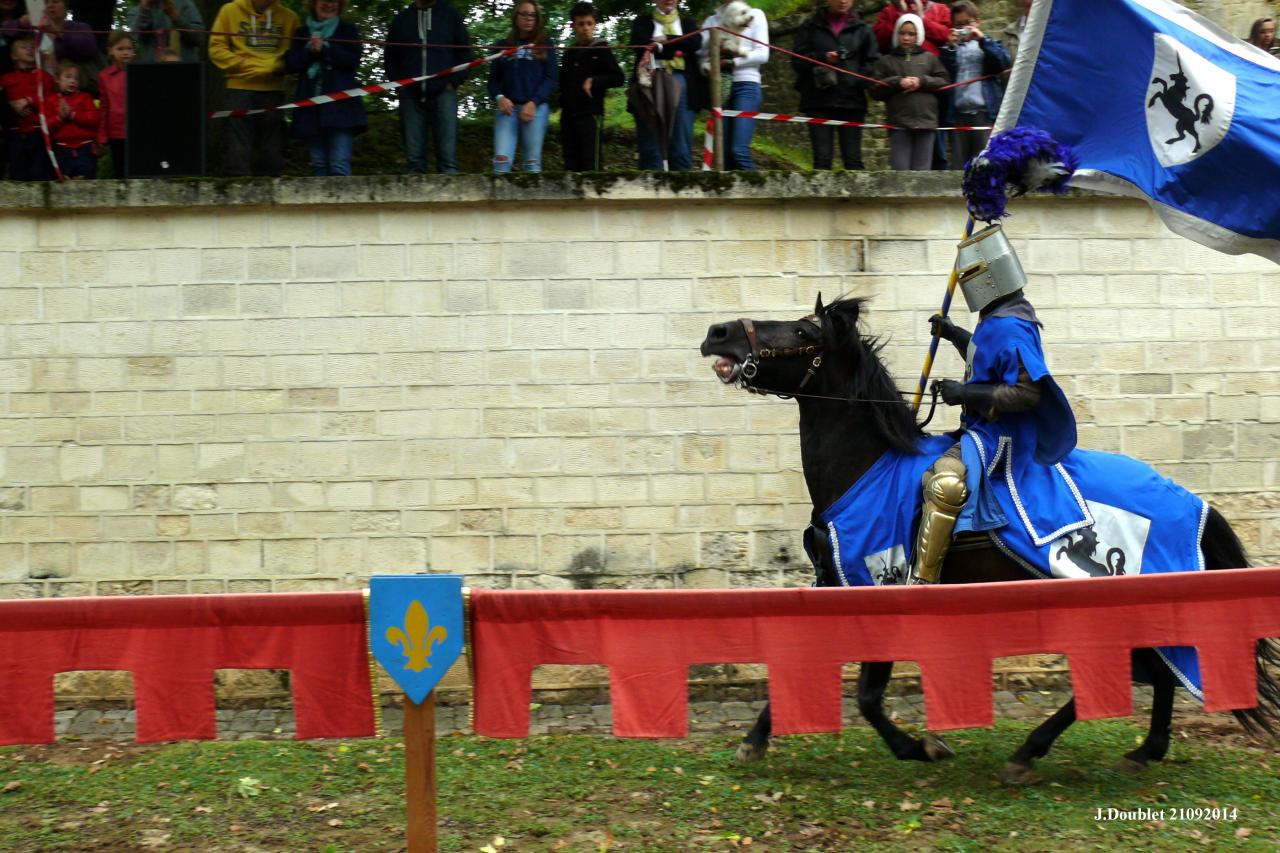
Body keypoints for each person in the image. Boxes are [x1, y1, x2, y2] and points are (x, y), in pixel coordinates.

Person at [912, 224, 1076, 585]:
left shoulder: (1011, 326)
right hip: (983, 428)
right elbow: (986, 356)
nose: (966, 282)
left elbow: (1026, 393)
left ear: (990, 277)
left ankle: (921, 583)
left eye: (971, 274)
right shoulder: (998, 317)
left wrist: (964, 394)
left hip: (1000, 439)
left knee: (945, 484)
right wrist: (955, 334)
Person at [207, 0, 299, 177]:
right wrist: (242, 64)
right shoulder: (229, 11)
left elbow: (292, 54)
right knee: (236, 147)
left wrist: (275, 67)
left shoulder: (289, 18)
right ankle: (236, 189)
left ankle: (273, 190)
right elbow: (216, 48)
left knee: (272, 147)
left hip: (272, 89)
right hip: (238, 88)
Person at [385, 0, 472, 175]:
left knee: (448, 162)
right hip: (410, 94)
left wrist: (452, 82)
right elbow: (390, 57)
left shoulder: (450, 15)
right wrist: (400, 84)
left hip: (444, 93)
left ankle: (451, 201)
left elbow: (465, 53)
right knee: (414, 162)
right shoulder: (402, 19)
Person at [790, 0, 878, 171]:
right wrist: (823, 57)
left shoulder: (863, 29)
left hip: (852, 102)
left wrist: (855, 80)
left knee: (853, 161)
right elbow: (797, 62)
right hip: (818, 101)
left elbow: (872, 63)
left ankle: (856, 198)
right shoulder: (810, 27)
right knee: (822, 161)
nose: (843, 1)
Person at [285, 0, 365, 176]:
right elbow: (291, 64)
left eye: (334, 1)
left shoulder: (347, 30)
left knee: (339, 165)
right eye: (324, 1)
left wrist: (325, 49)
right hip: (310, 108)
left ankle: (342, 204)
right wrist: (309, 51)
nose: (329, 4)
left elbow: (352, 60)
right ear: (314, 4)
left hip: (342, 108)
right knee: (319, 164)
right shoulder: (302, 32)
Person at [627, 0, 703, 171]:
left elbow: (695, 43)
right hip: (649, 82)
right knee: (650, 150)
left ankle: (682, 194)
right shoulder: (642, 22)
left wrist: (663, 41)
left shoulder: (688, 23)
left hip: (683, 82)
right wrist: (677, 48)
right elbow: (640, 44)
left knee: (681, 150)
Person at [697, 1, 768, 171]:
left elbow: (763, 54)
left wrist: (730, 62)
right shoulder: (710, 22)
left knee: (739, 150)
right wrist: (708, 66)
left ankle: (760, 193)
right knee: (725, 155)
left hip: (747, 84)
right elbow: (700, 56)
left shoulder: (755, 14)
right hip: (719, 86)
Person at [870, 14, 947, 171]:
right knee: (900, 173)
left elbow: (944, 83)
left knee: (922, 174)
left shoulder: (931, 58)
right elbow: (875, 89)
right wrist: (897, 82)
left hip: (926, 123)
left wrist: (922, 82)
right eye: (902, 33)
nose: (906, 37)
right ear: (896, 33)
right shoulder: (886, 61)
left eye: (911, 34)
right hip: (899, 124)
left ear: (919, 35)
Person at [487, 0, 556, 174]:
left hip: (536, 109)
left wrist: (534, 102)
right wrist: (499, 97)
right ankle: (500, 200)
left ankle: (531, 202)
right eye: (524, 14)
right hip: (507, 111)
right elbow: (493, 81)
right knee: (501, 162)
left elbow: (551, 78)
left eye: (533, 15)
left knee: (532, 164)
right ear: (515, 17)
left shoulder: (545, 44)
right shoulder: (502, 45)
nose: (529, 18)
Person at [938, 1, 1008, 170]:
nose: (964, 28)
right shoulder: (951, 49)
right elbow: (944, 73)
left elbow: (1002, 62)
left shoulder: (989, 43)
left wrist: (982, 39)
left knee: (985, 165)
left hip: (984, 113)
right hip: (958, 114)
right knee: (958, 167)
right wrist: (950, 48)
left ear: (977, 22)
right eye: (958, 25)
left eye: (968, 23)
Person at [558, 1, 623, 171]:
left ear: (595, 25)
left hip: (590, 114)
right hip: (568, 116)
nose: (585, 28)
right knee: (570, 162)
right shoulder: (569, 53)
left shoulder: (601, 48)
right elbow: (562, 83)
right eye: (580, 24)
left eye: (589, 23)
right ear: (573, 26)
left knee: (591, 163)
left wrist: (594, 81)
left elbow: (618, 77)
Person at [0, 32, 55, 180]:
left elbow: (50, 100)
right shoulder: (5, 79)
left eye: (32, 47)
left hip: (39, 134)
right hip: (15, 134)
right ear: (13, 56)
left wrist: (29, 100)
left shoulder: (44, 76)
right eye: (24, 47)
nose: (29, 49)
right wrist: (11, 105)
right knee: (17, 175)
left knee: (39, 174)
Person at [50, 62, 98, 178]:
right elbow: (47, 127)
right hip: (62, 150)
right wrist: (60, 118)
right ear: (57, 79)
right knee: (65, 187)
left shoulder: (85, 97)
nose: (72, 81)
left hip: (85, 149)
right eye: (68, 77)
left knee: (87, 183)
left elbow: (94, 120)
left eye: (76, 78)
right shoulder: (51, 100)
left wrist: (73, 115)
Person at [95, 30, 132, 177]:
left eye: (129, 48)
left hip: (136, 131)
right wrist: (102, 136)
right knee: (120, 171)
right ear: (111, 51)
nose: (125, 53)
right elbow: (103, 108)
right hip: (116, 133)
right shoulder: (104, 76)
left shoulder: (138, 72)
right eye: (120, 49)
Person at [127, 0, 205, 63]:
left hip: (185, 71)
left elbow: (199, 38)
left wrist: (175, 17)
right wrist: (145, 9)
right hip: (151, 74)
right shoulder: (136, 12)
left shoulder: (186, 5)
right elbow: (136, 35)